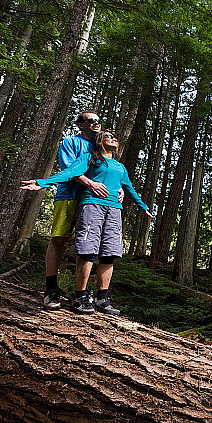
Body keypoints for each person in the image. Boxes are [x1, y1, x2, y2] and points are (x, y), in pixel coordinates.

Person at [23, 129, 150, 315]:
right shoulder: (90, 158)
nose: (114, 139)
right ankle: (80, 295)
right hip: (92, 206)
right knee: (87, 249)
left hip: (114, 210)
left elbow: (128, 187)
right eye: (109, 137)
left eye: (116, 137)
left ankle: (102, 297)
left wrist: (142, 205)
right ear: (99, 141)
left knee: (109, 253)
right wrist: (43, 182)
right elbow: (71, 173)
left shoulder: (120, 166)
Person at [41, 111, 123, 310]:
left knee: (92, 246)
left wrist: (118, 188)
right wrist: (89, 183)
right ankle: (51, 289)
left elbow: (108, 169)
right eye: (90, 120)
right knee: (59, 239)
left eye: (98, 120)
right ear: (80, 124)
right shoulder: (70, 142)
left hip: (97, 202)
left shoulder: (99, 145)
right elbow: (68, 169)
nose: (96, 123)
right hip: (69, 195)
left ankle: (87, 294)